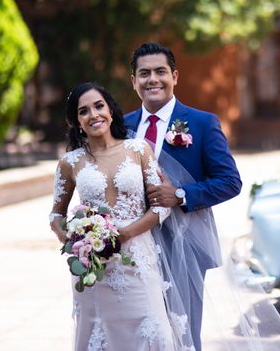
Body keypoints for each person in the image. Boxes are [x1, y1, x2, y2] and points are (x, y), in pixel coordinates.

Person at [48, 82, 195, 350]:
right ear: (77, 121)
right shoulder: (70, 162)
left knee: (152, 333)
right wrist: (71, 238)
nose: (93, 115)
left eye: (98, 106)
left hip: (138, 260)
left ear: (111, 111)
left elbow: (160, 206)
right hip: (94, 267)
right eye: (84, 111)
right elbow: (56, 214)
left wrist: (125, 234)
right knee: (100, 335)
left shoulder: (138, 150)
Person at [123, 43, 242, 350]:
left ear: (174, 76)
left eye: (160, 72)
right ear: (133, 80)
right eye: (144, 73)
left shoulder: (202, 123)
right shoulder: (121, 127)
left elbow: (230, 181)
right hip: (134, 246)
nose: (153, 79)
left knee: (183, 329)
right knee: (140, 330)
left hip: (184, 245)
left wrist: (179, 194)